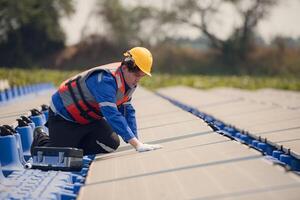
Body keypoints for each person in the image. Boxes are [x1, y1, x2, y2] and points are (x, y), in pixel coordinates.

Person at [31, 47, 162, 155]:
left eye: (142, 76)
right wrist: (136, 145)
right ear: (125, 68)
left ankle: (73, 146)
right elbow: (111, 114)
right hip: (64, 117)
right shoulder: (104, 80)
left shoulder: (129, 83)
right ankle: (41, 137)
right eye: (136, 75)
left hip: (88, 119)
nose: (138, 80)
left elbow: (127, 110)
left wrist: (138, 142)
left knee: (110, 145)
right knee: (60, 154)